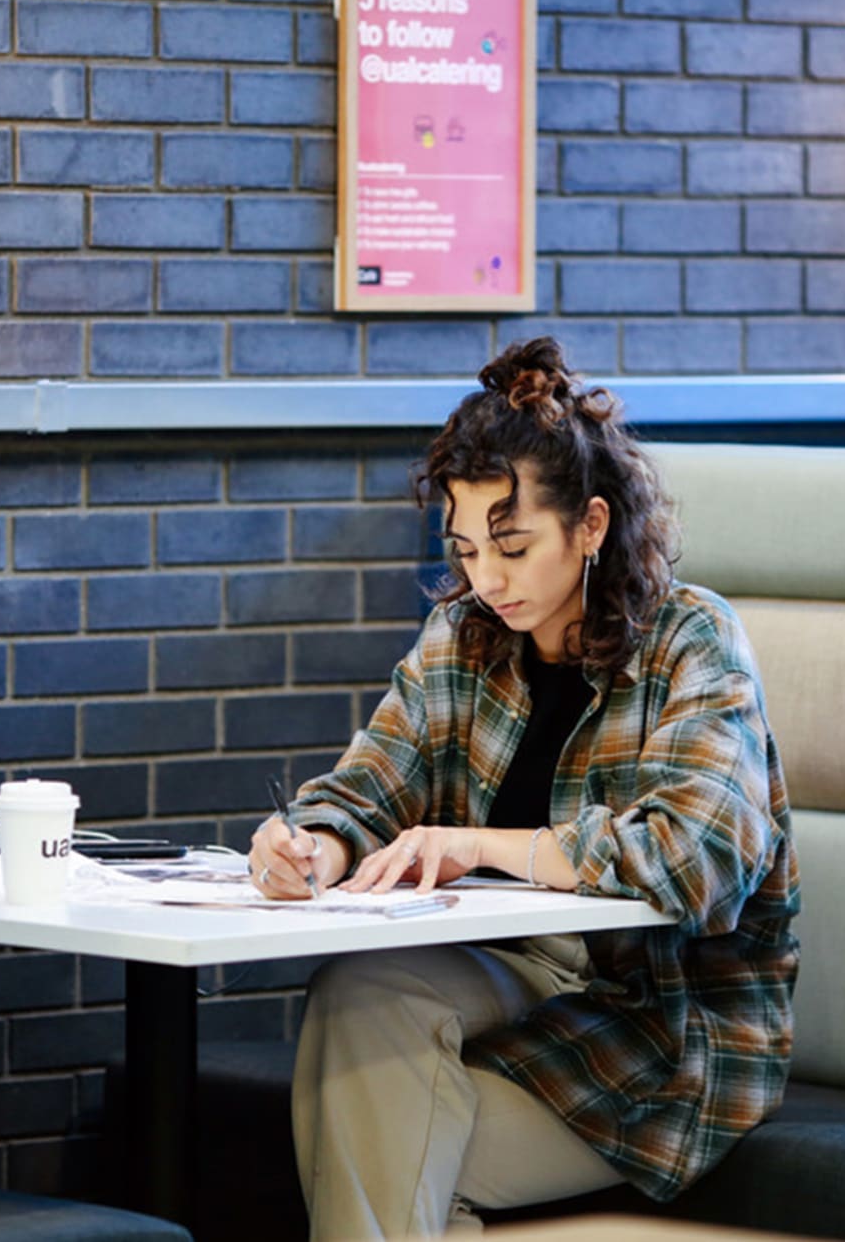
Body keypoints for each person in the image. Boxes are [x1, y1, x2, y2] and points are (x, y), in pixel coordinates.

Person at [245, 337, 800, 1239]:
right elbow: (368, 786)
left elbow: (699, 861)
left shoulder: (691, 639)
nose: (486, 579)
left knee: (383, 1153)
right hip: (517, 973)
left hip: (660, 1029)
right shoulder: (463, 638)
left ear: (590, 524)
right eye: (465, 550)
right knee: (358, 993)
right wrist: (314, 843)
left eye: (512, 544)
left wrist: (480, 845)